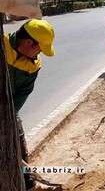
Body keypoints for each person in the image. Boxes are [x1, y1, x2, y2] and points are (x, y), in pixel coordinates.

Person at [2, 19, 55, 190]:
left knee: (17, 143)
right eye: (40, 48)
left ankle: (28, 184)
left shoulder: (33, 66)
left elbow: (22, 95)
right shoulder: (2, 45)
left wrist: (6, 119)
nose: (39, 54)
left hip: (9, 112)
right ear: (28, 43)